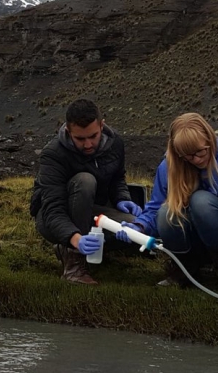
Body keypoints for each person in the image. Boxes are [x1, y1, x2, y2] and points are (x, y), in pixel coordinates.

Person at [117, 113, 218, 287]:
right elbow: (155, 209)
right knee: (166, 211)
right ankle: (183, 267)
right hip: (194, 242)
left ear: (209, 138)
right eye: (188, 157)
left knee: (201, 202)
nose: (198, 160)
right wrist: (139, 226)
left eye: (201, 151)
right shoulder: (169, 167)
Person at [31, 99, 141, 285]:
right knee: (85, 180)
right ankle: (74, 262)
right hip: (53, 218)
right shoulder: (53, 154)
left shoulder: (115, 143)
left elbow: (117, 179)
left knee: (134, 227)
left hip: (95, 211)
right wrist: (75, 239)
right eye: (80, 139)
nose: (88, 144)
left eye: (93, 136)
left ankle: (92, 249)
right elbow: (52, 209)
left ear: (102, 125)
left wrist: (123, 198)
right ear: (68, 131)